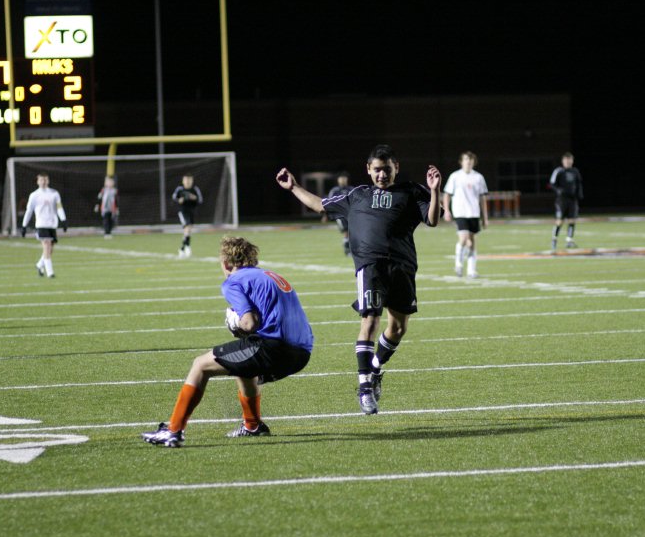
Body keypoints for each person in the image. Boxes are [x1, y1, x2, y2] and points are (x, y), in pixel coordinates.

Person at [277, 144, 441, 415]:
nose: (382, 175)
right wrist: (293, 187)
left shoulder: (411, 191)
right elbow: (320, 205)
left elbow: (433, 220)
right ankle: (365, 386)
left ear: (396, 168)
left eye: (386, 169)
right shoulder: (356, 195)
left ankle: (375, 367)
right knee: (371, 320)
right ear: (368, 169)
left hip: (402, 268)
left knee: (398, 328)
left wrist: (434, 190)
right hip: (370, 266)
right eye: (377, 170)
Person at [142, 236, 314, 447]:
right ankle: (252, 426)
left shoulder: (233, 281)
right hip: (302, 352)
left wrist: (236, 323)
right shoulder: (270, 275)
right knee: (243, 366)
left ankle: (173, 430)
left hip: (275, 347)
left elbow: (249, 323)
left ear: (226, 263)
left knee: (200, 365)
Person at [442, 151, 488, 277]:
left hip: (474, 213)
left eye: (471, 159)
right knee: (463, 239)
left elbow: (482, 198)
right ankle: (459, 264)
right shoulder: (455, 176)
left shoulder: (478, 177)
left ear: (474, 162)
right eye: (466, 159)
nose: (468, 161)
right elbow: (447, 194)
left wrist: (485, 217)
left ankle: (471, 270)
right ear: (461, 162)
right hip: (460, 212)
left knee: (472, 241)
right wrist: (446, 210)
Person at [21, 172, 67, 278]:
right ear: (37, 181)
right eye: (41, 180)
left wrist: (63, 220)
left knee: (50, 249)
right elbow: (29, 211)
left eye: (45, 179)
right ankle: (50, 272)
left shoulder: (54, 193)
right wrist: (24, 226)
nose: (43, 182)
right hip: (41, 224)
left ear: (48, 181)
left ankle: (39, 265)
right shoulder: (34, 195)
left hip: (52, 224)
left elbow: (59, 208)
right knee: (46, 246)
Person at [548, 152, 583, 251]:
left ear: (572, 161)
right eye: (566, 160)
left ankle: (569, 240)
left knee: (572, 220)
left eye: (570, 160)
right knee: (559, 221)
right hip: (562, 200)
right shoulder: (559, 171)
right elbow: (551, 184)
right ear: (563, 161)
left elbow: (578, 183)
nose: (568, 162)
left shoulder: (575, 171)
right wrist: (558, 190)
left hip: (572, 199)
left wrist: (579, 194)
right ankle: (554, 239)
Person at [172, 174, 203, 258]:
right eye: (186, 180)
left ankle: (182, 249)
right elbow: (174, 198)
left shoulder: (195, 189)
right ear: (183, 181)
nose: (187, 182)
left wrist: (194, 198)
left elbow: (200, 200)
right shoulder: (180, 189)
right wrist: (179, 200)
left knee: (188, 230)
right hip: (182, 211)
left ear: (192, 181)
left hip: (191, 211)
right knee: (187, 228)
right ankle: (187, 248)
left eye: (189, 180)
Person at [324, 172, 353, 255]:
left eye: (344, 178)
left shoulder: (351, 189)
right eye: (341, 178)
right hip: (339, 215)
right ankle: (347, 249)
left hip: (351, 214)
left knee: (352, 232)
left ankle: (349, 248)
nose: (343, 180)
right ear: (338, 180)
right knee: (346, 231)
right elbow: (328, 203)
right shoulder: (335, 190)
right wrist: (326, 215)